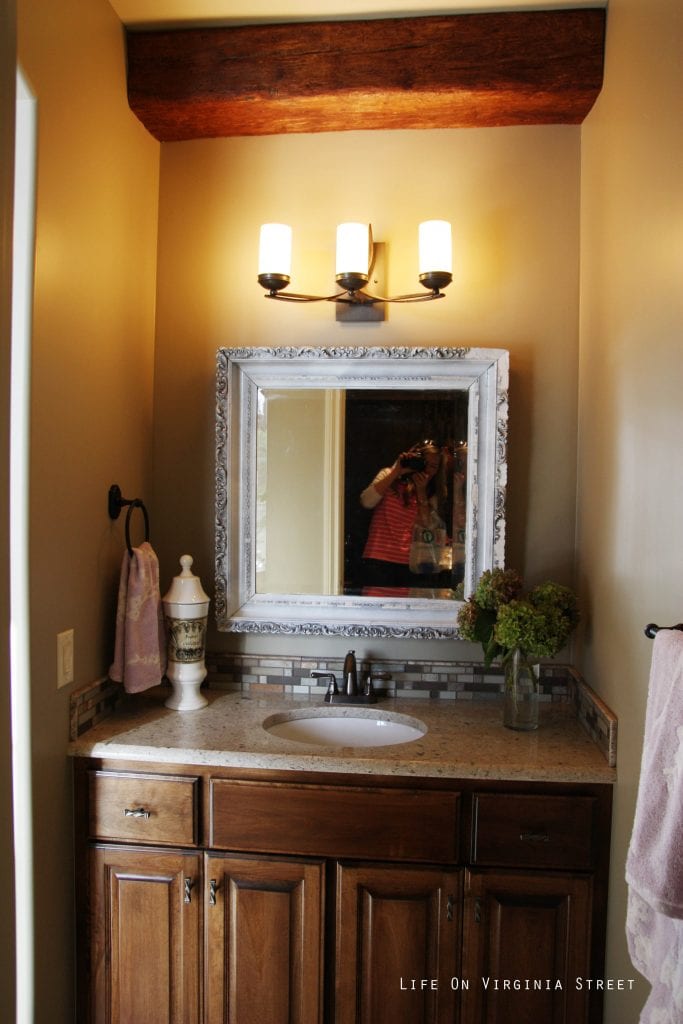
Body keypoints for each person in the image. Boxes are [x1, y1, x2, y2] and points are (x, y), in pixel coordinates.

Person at [360, 440, 447, 593]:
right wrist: (396, 471)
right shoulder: (389, 475)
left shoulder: (433, 492)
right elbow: (366, 502)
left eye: (433, 466)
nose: (427, 469)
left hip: (410, 564)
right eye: (423, 462)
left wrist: (421, 491)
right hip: (379, 559)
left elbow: (428, 527)